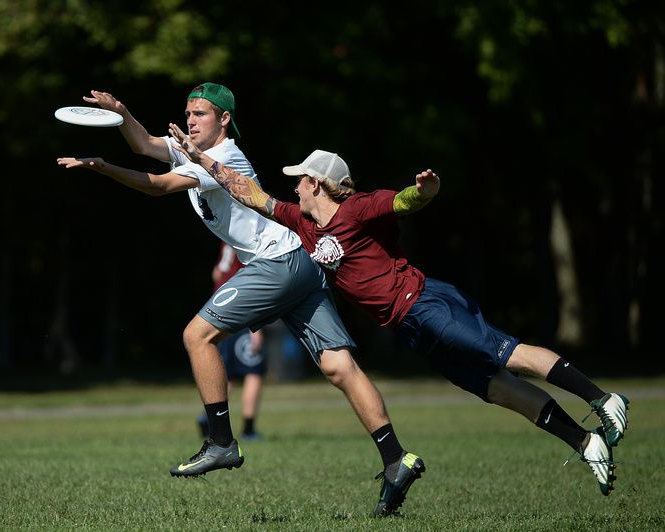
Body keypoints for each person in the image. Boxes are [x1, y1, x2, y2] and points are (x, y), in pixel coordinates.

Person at [168, 128, 630, 497]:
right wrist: (201, 156)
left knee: (505, 354)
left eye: (301, 180)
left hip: (427, 305)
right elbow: (249, 193)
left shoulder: (360, 207)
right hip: (411, 329)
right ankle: (586, 442)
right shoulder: (301, 221)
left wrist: (426, 191)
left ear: (319, 184)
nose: (294, 186)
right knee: (498, 389)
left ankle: (603, 399)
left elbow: (405, 201)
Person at [57, 83, 424, 517]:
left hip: (278, 262)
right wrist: (121, 112)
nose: (191, 121)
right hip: (302, 262)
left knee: (197, 336)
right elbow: (144, 144)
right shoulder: (190, 149)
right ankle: (396, 459)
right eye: (188, 113)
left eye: (201, 114)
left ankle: (221, 442)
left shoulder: (224, 158)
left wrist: (103, 169)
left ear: (224, 120)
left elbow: (157, 186)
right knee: (338, 365)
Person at [197, 242, 267, 441]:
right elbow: (252, 281)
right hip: (239, 308)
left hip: (217, 309)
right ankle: (248, 429)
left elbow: (217, 273)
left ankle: (208, 416)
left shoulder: (226, 237)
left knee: (228, 374)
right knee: (254, 371)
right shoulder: (249, 238)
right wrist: (256, 327)